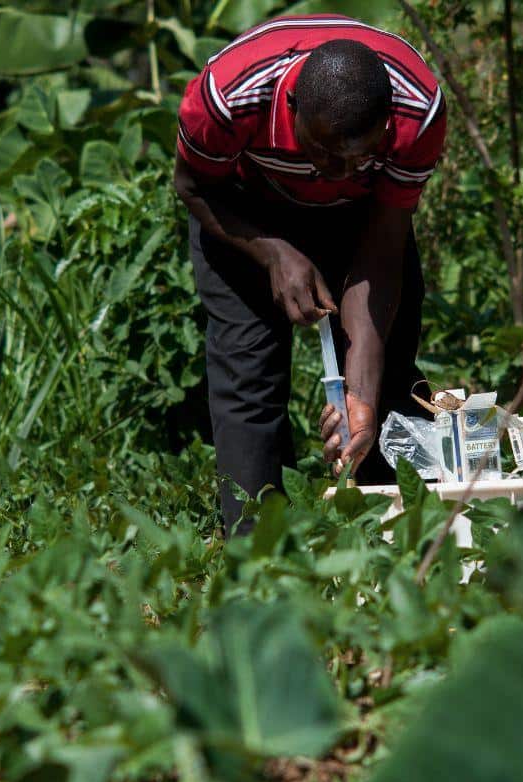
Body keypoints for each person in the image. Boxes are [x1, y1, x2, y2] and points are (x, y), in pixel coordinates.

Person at [174, 14, 447, 533]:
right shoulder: (228, 95)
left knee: (388, 379)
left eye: (360, 155)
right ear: (293, 104)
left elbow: (383, 246)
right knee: (248, 380)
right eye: (322, 150)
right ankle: (258, 552)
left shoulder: (417, 110)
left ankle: (401, 541)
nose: (337, 171)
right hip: (243, 208)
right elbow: (192, 186)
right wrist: (274, 253)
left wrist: (360, 395)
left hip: (363, 217)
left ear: (387, 123)